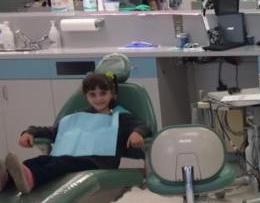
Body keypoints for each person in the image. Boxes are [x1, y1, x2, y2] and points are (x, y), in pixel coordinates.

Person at [0, 73, 151, 194]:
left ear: (113, 95)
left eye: (103, 93)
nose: (98, 99)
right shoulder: (79, 116)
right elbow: (55, 132)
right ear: (86, 97)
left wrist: (137, 133)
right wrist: (31, 132)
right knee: (43, 160)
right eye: (93, 94)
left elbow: (143, 126)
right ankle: (6, 178)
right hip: (72, 157)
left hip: (97, 163)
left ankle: (32, 178)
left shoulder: (120, 117)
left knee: (60, 164)